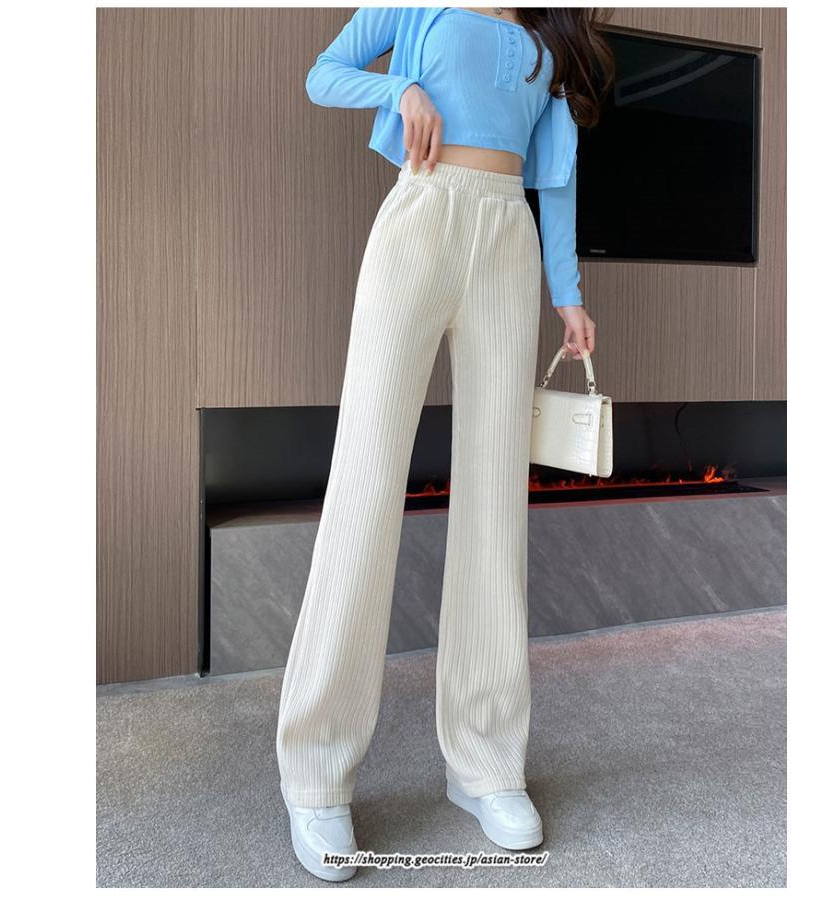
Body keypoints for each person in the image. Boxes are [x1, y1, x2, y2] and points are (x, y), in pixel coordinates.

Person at [275, 6, 615, 882]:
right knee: (365, 482)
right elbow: (322, 75)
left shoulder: (548, 40)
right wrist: (401, 87)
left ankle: (486, 761)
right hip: (420, 218)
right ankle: (316, 771)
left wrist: (568, 293)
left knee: (496, 502)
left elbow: (557, 177)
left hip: (507, 239)